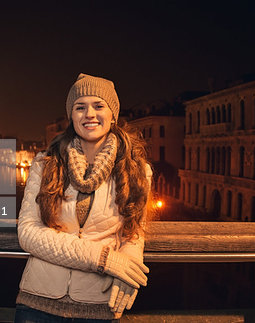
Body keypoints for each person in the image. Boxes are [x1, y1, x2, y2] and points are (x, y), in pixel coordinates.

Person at [14, 73, 152, 322]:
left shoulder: (138, 171)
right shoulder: (45, 164)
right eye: (80, 107)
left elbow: (134, 233)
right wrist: (105, 259)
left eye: (99, 106)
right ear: (71, 116)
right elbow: (28, 233)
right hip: (37, 304)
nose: (90, 114)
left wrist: (128, 269)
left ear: (113, 115)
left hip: (99, 304)